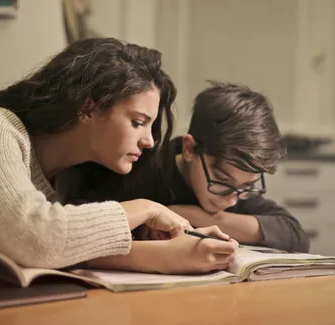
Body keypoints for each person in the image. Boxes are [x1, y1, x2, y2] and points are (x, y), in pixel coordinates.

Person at [0, 38, 238, 272]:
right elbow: (35, 239)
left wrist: (167, 247)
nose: (150, 142)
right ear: (87, 109)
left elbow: (64, 248)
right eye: (138, 122)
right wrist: (147, 209)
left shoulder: (72, 176)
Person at [66, 81, 309, 253]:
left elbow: (295, 235)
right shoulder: (139, 168)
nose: (232, 200)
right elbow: (75, 217)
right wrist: (143, 225)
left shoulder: (234, 190)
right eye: (222, 181)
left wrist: (201, 218)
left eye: (247, 186)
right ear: (190, 149)